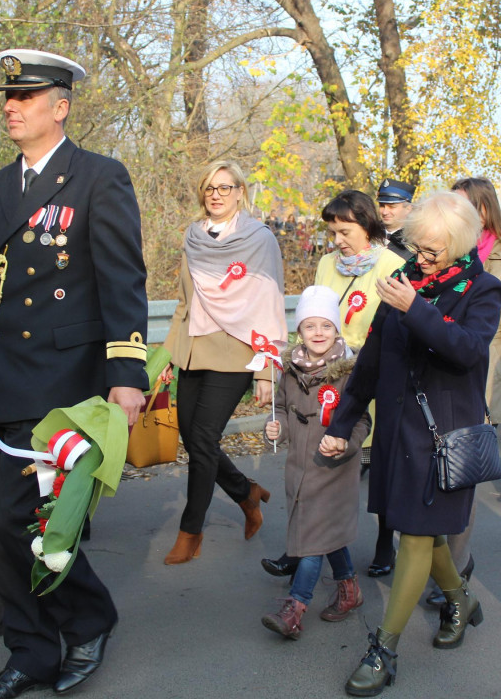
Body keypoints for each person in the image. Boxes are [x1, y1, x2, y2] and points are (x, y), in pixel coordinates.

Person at [0, 50, 149, 699]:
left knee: (31, 522)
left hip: (64, 381)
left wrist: (128, 375)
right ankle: (32, 652)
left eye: (27, 97)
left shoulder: (98, 177)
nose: (11, 105)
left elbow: (123, 281)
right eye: (8, 96)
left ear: (59, 107)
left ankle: (84, 621)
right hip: (3, 372)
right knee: (5, 525)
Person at [325, 191, 501, 696]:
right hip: (398, 431)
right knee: (426, 534)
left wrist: (417, 309)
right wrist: (342, 423)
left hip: (443, 436)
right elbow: (371, 364)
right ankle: (461, 600)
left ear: (461, 245)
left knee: (416, 539)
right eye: (418, 248)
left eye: (433, 252)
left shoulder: (482, 288)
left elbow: (468, 351)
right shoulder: (403, 281)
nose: (422, 259)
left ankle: (384, 649)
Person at [261, 190, 404, 579]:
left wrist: (359, 354)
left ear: (366, 224)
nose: (337, 241)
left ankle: (383, 545)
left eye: (344, 231)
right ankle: (300, 547)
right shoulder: (327, 263)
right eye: (333, 232)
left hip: (372, 378)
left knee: (378, 469)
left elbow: (396, 326)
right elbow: (315, 312)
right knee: (316, 470)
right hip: (326, 378)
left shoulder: (392, 265)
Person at [420, 177, 501, 606]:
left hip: (483, 376)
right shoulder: (436, 252)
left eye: (458, 206)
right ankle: (443, 566)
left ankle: (454, 570)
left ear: (481, 211)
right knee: (434, 473)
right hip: (436, 375)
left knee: (461, 476)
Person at [159, 160, 287, 565]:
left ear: (239, 192)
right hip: (194, 348)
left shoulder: (259, 239)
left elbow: (270, 304)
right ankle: (245, 492)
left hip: (237, 352)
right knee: (191, 435)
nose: (216, 194)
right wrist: (168, 355)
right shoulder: (193, 237)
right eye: (209, 187)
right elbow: (184, 301)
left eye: (224, 187)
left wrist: (267, 369)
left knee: (202, 439)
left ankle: (190, 532)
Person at [261, 286, 371, 639]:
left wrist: (346, 444)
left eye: (326, 326)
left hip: (333, 470)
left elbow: (362, 421)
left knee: (310, 539)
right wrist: (273, 430)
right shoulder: (289, 370)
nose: (318, 334)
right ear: (299, 332)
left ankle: (296, 606)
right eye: (310, 326)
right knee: (327, 535)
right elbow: (280, 409)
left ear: (337, 330)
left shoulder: (349, 371)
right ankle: (349, 589)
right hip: (299, 467)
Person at [376, 178, 416, 261]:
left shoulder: (415, 241)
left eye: (392, 206)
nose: (385, 212)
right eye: (382, 206)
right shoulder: (369, 234)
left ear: (408, 208)